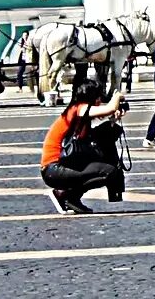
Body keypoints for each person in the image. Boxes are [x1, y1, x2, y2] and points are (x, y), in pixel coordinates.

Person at [42, 85, 129, 213]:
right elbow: (109, 108)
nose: (99, 101)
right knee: (108, 172)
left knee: (108, 136)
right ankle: (67, 195)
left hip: (63, 164)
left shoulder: (82, 118)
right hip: (53, 169)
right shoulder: (78, 108)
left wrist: (113, 120)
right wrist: (117, 97)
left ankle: (70, 197)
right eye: (98, 97)